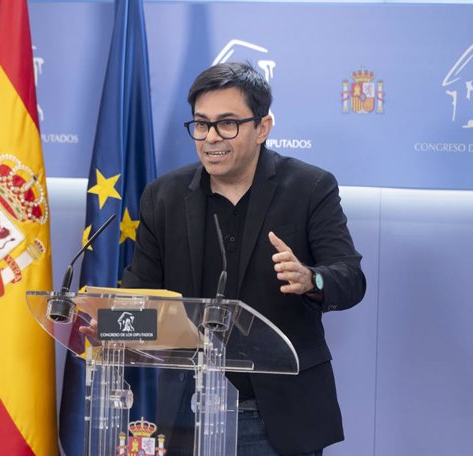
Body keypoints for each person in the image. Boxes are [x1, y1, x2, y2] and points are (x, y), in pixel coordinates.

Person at [122, 62, 366, 456]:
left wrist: (310, 279)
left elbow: (349, 278)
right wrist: (106, 321)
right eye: (201, 124)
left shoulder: (310, 188)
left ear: (263, 127)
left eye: (227, 124)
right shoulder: (163, 196)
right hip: (188, 412)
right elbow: (139, 292)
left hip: (279, 414)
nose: (211, 138)